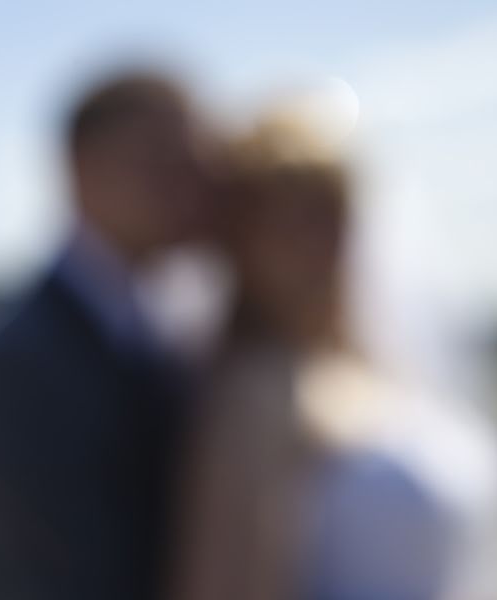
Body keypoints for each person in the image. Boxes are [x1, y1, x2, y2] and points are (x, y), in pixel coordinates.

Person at [0, 71, 220, 600]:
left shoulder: (163, 327)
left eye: (196, 166)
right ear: (80, 167)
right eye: (162, 163)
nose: (191, 188)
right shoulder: (17, 364)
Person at [171, 111, 451, 600]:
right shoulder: (254, 393)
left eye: (327, 214)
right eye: (284, 224)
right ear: (241, 247)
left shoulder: (377, 362)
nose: (316, 245)